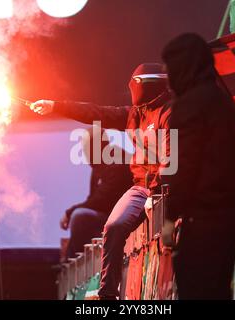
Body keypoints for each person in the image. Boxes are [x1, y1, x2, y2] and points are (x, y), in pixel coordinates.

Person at [30, 63, 172, 299]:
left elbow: (171, 156)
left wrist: (158, 191)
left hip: (164, 188)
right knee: (113, 227)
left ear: (144, 85)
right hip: (140, 188)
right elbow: (96, 112)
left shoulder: (169, 112)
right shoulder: (133, 114)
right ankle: (107, 293)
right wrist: (55, 106)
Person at [161, 33, 235, 300]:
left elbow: (183, 167)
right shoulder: (223, 102)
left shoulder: (186, 108)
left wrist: (170, 218)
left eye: (169, 68)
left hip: (201, 220)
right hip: (229, 215)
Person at [62, 128, 133, 259]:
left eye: (86, 149)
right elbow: (93, 199)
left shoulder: (118, 160)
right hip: (107, 217)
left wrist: (70, 211)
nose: (85, 154)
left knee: (79, 217)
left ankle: (73, 262)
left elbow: (103, 199)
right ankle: (74, 264)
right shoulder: (98, 165)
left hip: (122, 218)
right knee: (80, 217)